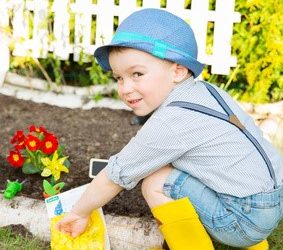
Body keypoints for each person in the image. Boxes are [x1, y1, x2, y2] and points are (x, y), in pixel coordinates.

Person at [56, 8, 283, 250]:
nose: (125, 87)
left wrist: (80, 213)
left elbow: (116, 175)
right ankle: (258, 246)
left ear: (178, 70)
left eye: (137, 74)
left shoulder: (170, 122)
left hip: (245, 219)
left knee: (154, 180)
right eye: (119, 78)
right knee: (177, 163)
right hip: (275, 195)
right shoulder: (208, 91)